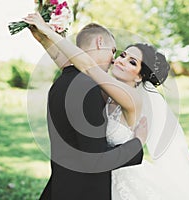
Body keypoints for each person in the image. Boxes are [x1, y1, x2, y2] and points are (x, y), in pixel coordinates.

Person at [24, 13, 189, 199]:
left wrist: (49, 31)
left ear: (139, 76)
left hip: (120, 175)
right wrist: (43, 39)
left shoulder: (131, 97)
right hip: (104, 175)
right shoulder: (107, 90)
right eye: (122, 54)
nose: (119, 60)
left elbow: (88, 66)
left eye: (132, 62)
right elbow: (71, 65)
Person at [26, 16, 147, 200]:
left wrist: (46, 37)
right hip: (87, 190)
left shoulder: (62, 83)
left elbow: (78, 65)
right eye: (116, 52)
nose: (115, 60)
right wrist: (137, 144)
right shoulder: (88, 87)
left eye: (132, 61)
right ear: (100, 42)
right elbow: (96, 159)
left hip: (67, 186)